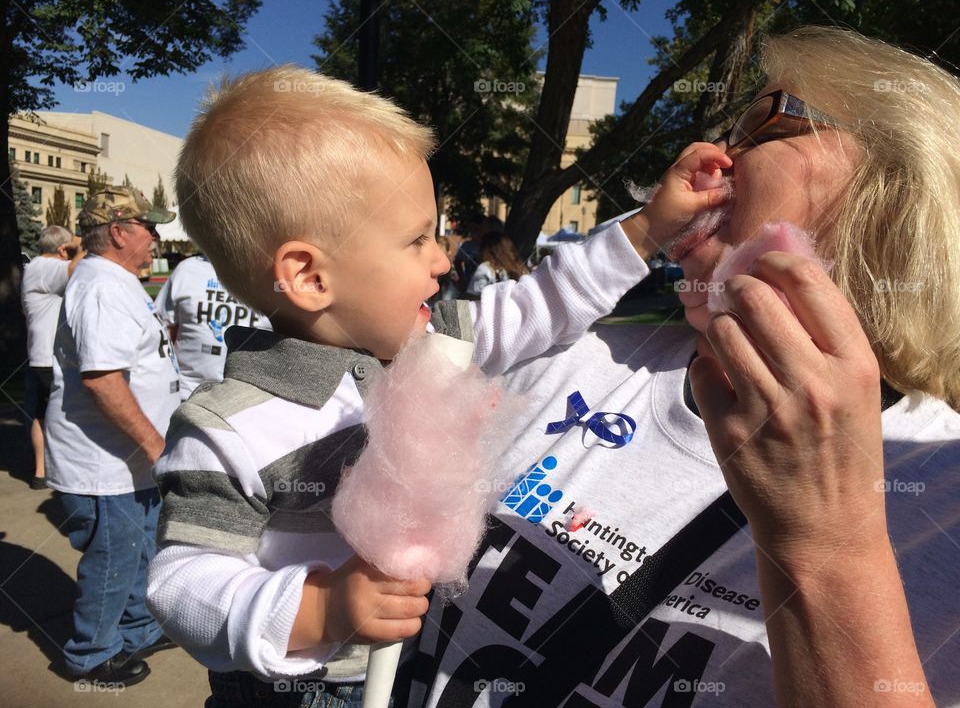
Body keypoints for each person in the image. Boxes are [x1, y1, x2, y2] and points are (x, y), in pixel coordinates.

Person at [400, 26, 959, 708]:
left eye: (762, 122)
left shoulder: (941, 497)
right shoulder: (575, 356)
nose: (716, 157)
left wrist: (827, 544)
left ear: (896, 186)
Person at [144, 65, 731, 708]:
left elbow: (546, 301)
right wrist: (324, 605)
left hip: (410, 672)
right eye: (416, 239)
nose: (443, 259)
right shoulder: (229, 423)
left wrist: (647, 229)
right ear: (310, 277)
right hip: (296, 690)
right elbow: (181, 586)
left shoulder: (436, 348)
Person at [44, 186, 182, 687]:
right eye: (150, 228)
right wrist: (153, 444)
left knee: (139, 549)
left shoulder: (116, 281)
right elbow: (103, 379)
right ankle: (91, 655)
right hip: (102, 464)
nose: (158, 239)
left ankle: (137, 630)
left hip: (127, 463)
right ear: (120, 231)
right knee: (112, 559)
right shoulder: (101, 286)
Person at [20, 224, 84, 489]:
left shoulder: (34, 268)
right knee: (66, 416)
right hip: (50, 359)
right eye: (69, 249)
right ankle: (61, 471)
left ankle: (40, 472)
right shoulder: (45, 267)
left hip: (38, 356)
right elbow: (74, 269)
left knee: (40, 414)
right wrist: (83, 245)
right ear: (61, 249)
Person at [156, 254, 273, 400]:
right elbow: (166, 331)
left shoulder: (269, 272)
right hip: (188, 394)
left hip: (245, 398)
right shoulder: (186, 270)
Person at [465, 231, 529, 297]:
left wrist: (455, 305)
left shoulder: (486, 268)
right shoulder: (522, 270)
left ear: (485, 249)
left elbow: (472, 298)